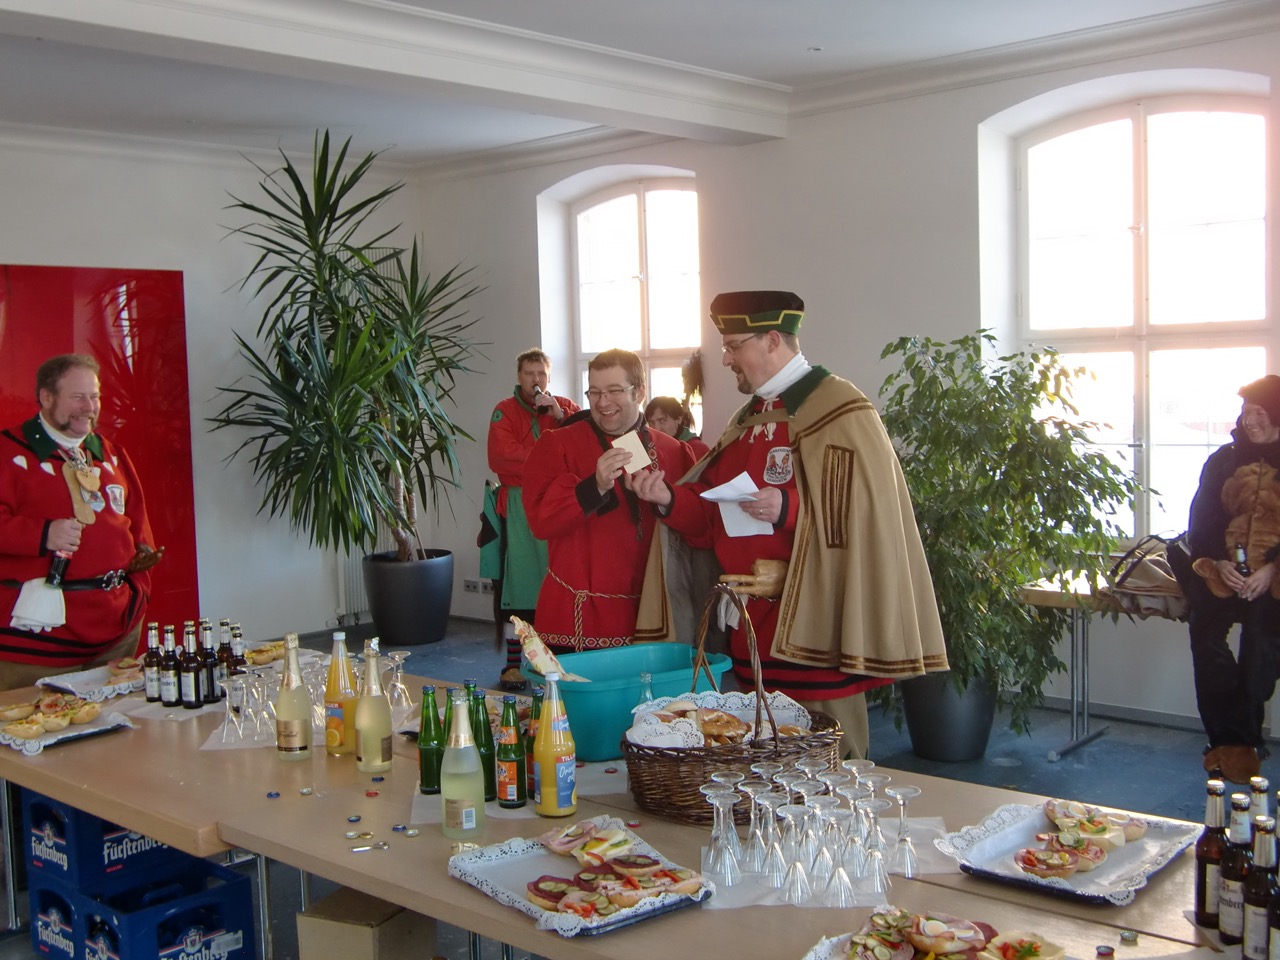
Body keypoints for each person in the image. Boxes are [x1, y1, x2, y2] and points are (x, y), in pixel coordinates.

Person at [632, 291, 947, 759]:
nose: (726, 359)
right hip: (750, 631)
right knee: (758, 765)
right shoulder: (748, 418)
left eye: (734, 346)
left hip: (814, 629)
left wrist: (788, 507)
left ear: (772, 340)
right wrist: (668, 499)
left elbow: (866, 515)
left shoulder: (839, 408)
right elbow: (711, 517)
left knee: (828, 765)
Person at [0, 355, 163, 691]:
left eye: (94, 397)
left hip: (117, 632)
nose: (89, 407)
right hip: (37, 638)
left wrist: (138, 593)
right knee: (37, 719)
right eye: (78, 397)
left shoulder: (111, 453)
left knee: (115, 720)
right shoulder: (6, 452)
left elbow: (138, 528)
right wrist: (43, 533)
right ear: (47, 397)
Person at [523, 349, 697, 652]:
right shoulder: (558, 444)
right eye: (594, 392)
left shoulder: (674, 451)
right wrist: (595, 486)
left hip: (657, 614)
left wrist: (667, 499)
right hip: (579, 621)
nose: (602, 402)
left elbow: (701, 528)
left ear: (639, 392)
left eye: (614, 391)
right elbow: (540, 522)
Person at [1186, 374, 1280, 784]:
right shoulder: (1223, 460)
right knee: (1204, 634)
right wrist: (1216, 561)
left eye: (1259, 412)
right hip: (1225, 571)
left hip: (1273, 577)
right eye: (1246, 412)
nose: (1250, 420)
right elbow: (1202, 519)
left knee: (1261, 647)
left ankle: (1241, 742)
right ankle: (1226, 739)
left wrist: (1273, 569)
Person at [484, 348, 579, 690]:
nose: (536, 380)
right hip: (521, 507)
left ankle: (553, 664)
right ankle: (513, 665)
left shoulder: (564, 407)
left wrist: (561, 417)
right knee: (521, 585)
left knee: (558, 582)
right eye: (529, 373)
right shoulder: (505, 411)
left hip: (558, 503)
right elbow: (501, 456)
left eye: (541, 373)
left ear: (549, 377)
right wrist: (551, 459)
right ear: (519, 377)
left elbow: (583, 446)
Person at [644, 396, 710, 460]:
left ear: (679, 419)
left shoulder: (696, 449)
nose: (656, 428)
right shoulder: (650, 449)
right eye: (651, 422)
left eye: (662, 420)